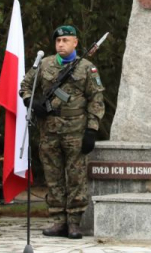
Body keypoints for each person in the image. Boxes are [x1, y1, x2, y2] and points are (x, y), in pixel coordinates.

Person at [19, 25, 105, 239]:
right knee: (54, 177)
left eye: (65, 40)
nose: (61, 44)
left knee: (76, 177)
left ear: (75, 42)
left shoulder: (86, 68)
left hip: (75, 131)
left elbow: (96, 100)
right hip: (49, 131)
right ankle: (59, 220)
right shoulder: (44, 64)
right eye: (58, 41)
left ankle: (74, 223)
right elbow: (25, 85)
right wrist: (31, 101)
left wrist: (91, 131)